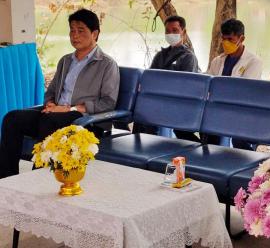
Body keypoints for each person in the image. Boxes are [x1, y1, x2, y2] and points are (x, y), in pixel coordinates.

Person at [0, 9, 120, 179]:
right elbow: (51, 91)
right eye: (72, 30)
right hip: (54, 114)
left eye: (81, 31)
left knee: (49, 121)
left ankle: (37, 178)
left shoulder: (106, 65)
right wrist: (50, 104)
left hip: (85, 120)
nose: (75, 35)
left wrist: (69, 109)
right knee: (12, 118)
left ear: (95, 34)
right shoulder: (65, 61)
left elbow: (108, 103)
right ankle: (7, 178)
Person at [206, 18, 262, 148]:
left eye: (230, 39)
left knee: (238, 140)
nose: (225, 43)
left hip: (241, 111)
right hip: (218, 110)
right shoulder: (217, 61)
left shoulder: (254, 62)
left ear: (241, 39)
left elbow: (244, 91)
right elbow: (208, 84)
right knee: (208, 135)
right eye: (223, 39)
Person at [148, 15, 201, 142]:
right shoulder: (160, 56)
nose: (170, 34)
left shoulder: (188, 57)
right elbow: (149, 80)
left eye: (175, 30)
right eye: (167, 31)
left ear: (184, 32)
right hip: (158, 102)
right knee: (142, 116)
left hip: (178, 105)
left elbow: (185, 87)